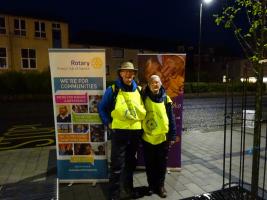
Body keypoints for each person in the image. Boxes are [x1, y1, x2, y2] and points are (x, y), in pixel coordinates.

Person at [98, 61, 146, 200]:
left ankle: (129, 190)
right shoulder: (113, 89)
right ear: (120, 73)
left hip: (135, 133)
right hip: (119, 133)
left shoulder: (138, 90)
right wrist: (108, 123)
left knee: (131, 164)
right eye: (125, 71)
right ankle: (114, 195)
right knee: (117, 165)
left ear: (134, 74)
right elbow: (102, 108)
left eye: (131, 72)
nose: (128, 74)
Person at [141, 75, 176, 198]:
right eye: (152, 83)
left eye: (157, 82)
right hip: (147, 138)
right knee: (150, 164)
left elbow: (171, 119)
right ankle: (151, 186)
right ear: (149, 85)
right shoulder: (143, 97)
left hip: (162, 139)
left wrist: (172, 136)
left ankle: (160, 186)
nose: (155, 85)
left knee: (161, 165)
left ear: (161, 84)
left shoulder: (166, 99)